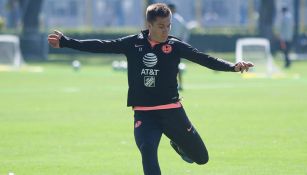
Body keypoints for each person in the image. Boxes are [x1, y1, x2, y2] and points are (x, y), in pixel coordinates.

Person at [48, 3, 253, 175]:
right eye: (161, 26)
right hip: (145, 115)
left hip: (172, 112)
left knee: (201, 158)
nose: (166, 30)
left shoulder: (175, 45)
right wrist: (66, 42)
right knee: (148, 152)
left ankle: (179, 145)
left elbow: (204, 59)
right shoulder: (132, 43)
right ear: (149, 25)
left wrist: (233, 67)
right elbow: (101, 45)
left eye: (169, 26)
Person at [167, 3, 190, 91]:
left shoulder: (169, 19)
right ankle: (179, 84)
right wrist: (183, 42)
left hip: (167, 43)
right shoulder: (180, 19)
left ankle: (170, 84)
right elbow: (186, 31)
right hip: (177, 43)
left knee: (167, 64)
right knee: (176, 65)